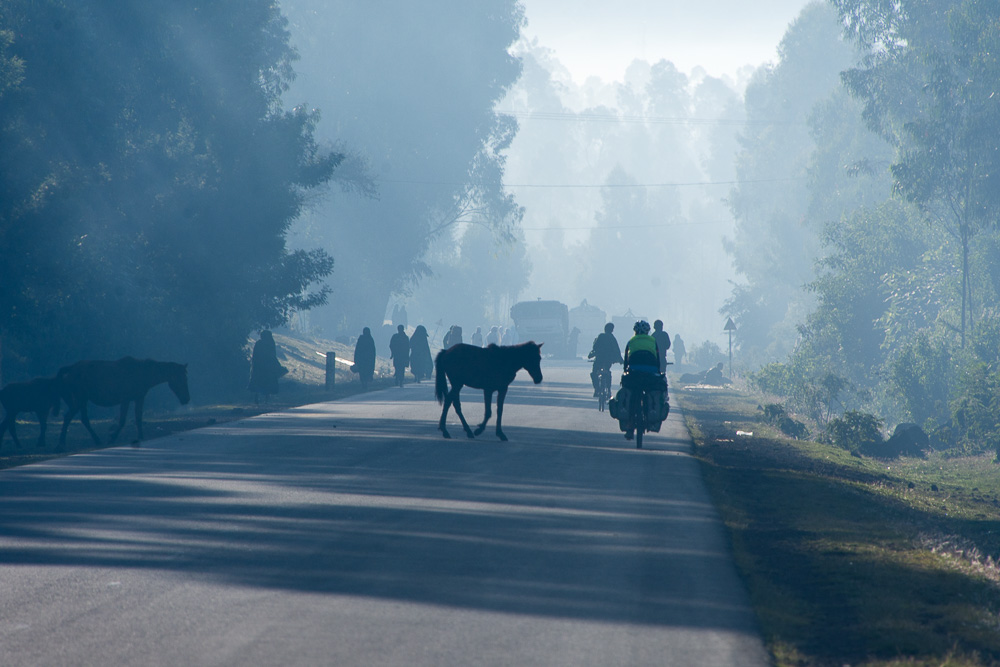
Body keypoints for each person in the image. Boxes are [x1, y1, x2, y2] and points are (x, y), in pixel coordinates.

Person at [621, 320, 667, 440]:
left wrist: (626, 370)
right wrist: (657, 371)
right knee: (651, 392)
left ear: (635, 331)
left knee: (632, 398)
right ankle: (650, 416)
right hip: (650, 373)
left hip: (634, 373)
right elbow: (657, 358)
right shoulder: (652, 341)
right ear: (648, 331)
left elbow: (626, 359)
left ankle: (630, 426)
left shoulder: (631, 341)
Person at [248, 330, 287, 405]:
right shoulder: (270, 343)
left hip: (259, 366)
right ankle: (265, 398)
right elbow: (272, 355)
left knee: (259, 381)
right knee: (267, 382)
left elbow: (255, 356)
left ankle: (258, 397)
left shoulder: (259, 343)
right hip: (267, 367)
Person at [588, 323, 623, 397]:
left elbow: (595, 347)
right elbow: (617, 350)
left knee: (594, 373)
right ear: (612, 330)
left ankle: (597, 389)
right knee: (607, 372)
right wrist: (620, 360)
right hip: (608, 360)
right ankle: (609, 390)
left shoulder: (601, 336)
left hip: (599, 359)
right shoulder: (612, 338)